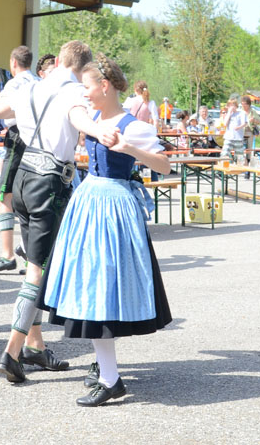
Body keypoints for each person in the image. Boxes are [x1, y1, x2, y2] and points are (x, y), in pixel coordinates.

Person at [39, 54, 172, 406]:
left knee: (102, 290)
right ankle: (105, 370)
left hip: (114, 209)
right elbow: (73, 114)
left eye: (87, 86)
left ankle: (110, 378)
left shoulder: (133, 126)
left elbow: (165, 166)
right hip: (89, 203)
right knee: (91, 288)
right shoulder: (93, 117)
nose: (83, 93)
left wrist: (129, 148)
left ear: (105, 86)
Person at [0, 40, 121, 384]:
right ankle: (11, 352)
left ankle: (35, 346)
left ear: (58, 60)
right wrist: (99, 130)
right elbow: (78, 117)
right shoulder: (74, 91)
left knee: (36, 265)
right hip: (49, 183)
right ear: (83, 66)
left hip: (22, 177)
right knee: (37, 270)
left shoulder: (32, 86)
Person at [0, 45, 37, 274]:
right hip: (35, 140)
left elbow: (0, 110)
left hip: (17, 138)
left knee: (3, 196)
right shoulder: (36, 82)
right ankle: (29, 255)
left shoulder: (14, 83)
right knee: (27, 198)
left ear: (13, 62)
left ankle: (7, 255)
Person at [220, 97, 247, 163]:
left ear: (236, 105)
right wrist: (229, 113)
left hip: (238, 138)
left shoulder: (241, 113)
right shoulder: (228, 114)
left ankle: (240, 166)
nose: (232, 107)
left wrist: (239, 127)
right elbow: (225, 124)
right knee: (224, 153)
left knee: (240, 156)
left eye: (233, 105)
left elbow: (245, 123)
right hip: (229, 137)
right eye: (230, 105)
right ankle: (223, 166)